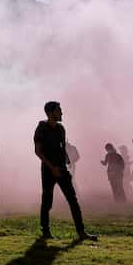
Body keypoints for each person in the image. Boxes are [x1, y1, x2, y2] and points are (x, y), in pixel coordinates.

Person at [34, 101, 96, 241]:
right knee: (47, 202)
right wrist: (52, 168)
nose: (61, 113)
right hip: (49, 170)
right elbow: (38, 151)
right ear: (50, 113)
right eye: (59, 110)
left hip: (62, 169)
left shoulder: (61, 129)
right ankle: (45, 232)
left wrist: (66, 161)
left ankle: (81, 232)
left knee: (73, 200)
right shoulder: (41, 128)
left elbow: (62, 147)